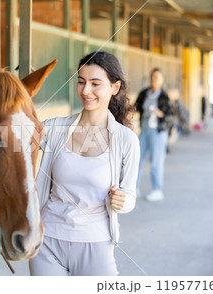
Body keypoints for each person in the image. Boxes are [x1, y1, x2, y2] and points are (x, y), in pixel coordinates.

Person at [29, 51, 140, 276]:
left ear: (114, 88)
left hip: (95, 243)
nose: (85, 90)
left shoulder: (126, 140)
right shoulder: (54, 129)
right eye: (81, 82)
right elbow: (12, 137)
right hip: (48, 240)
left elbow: (129, 197)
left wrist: (122, 201)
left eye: (95, 83)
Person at [135, 68, 173, 202]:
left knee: (156, 161)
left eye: (157, 77)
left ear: (162, 80)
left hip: (158, 130)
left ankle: (157, 190)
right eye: (152, 77)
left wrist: (158, 113)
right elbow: (136, 106)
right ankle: (134, 188)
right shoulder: (144, 93)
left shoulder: (164, 96)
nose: (154, 79)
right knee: (136, 159)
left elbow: (169, 115)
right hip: (145, 128)